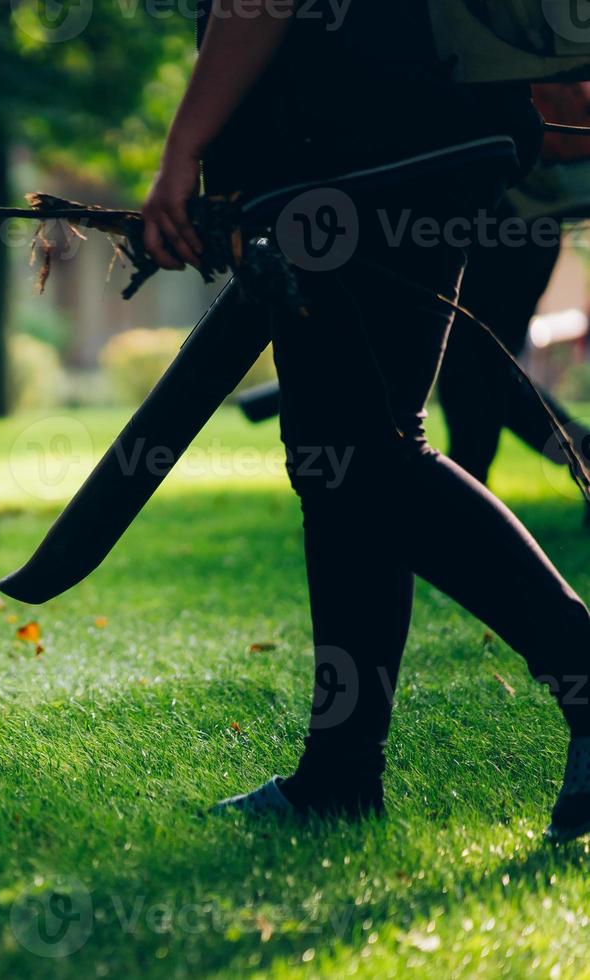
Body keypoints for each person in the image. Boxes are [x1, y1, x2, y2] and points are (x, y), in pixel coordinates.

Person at [142, 1, 590, 840]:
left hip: (353, 151)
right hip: (426, 138)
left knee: (357, 454)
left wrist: (183, 148)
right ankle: (341, 774)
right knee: (345, 460)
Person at [439, 83, 590, 487]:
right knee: (479, 361)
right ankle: (469, 484)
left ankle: (468, 484)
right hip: (525, 216)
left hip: (513, 216)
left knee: (473, 359)